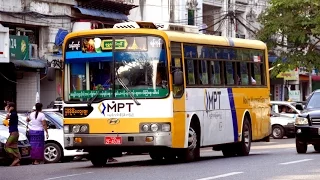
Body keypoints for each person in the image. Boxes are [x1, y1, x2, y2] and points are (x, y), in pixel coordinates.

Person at [4, 102, 21, 166]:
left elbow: (6, 118)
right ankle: (17, 162)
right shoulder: (13, 114)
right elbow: (5, 122)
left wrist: (8, 111)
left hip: (14, 133)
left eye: (8, 106)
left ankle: (17, 158)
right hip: (14, 133)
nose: (7, 107)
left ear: (11, 107)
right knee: (14, 146)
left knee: (6, 146)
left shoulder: (13, 114)